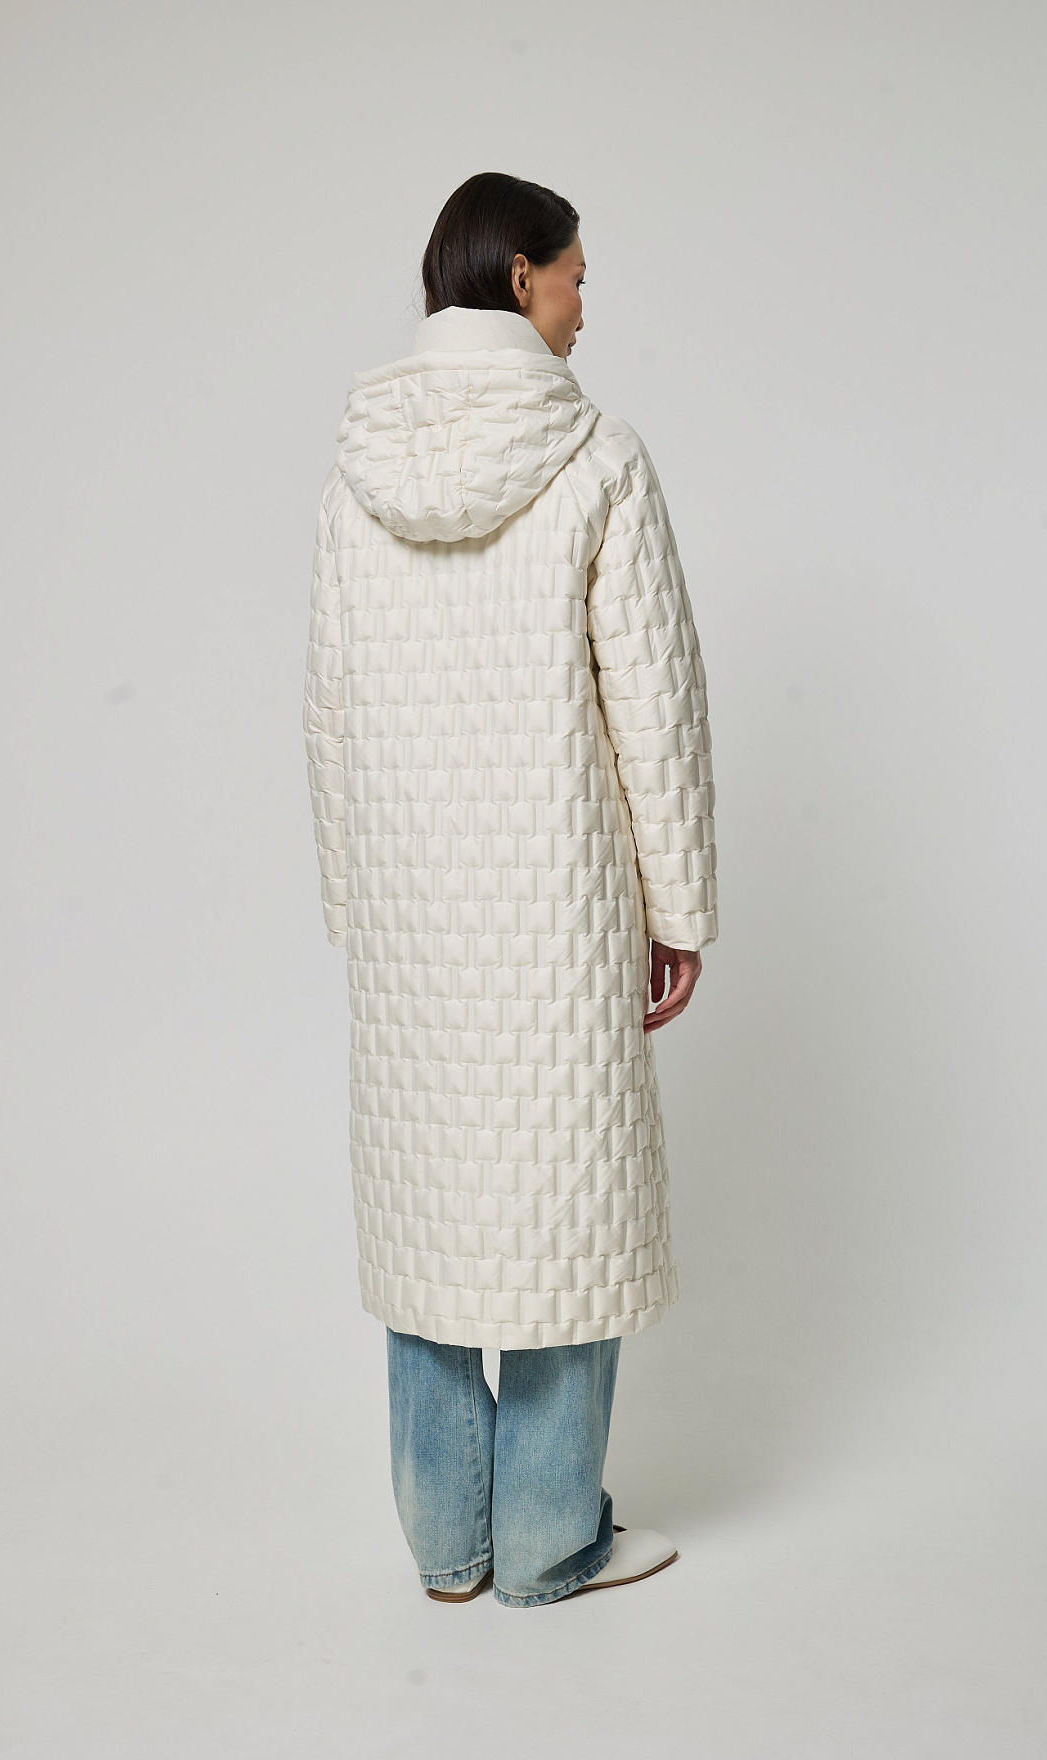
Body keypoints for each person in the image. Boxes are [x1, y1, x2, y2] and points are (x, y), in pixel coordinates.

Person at [303, 171, 717, 1608]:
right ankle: (548, 1540)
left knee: (429, 1216)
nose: (586, 306)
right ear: (522, 275)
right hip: (558, 907)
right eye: (577, 276)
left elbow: (330, 708)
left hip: (413, 915)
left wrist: (354, 900)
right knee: (566, 1214)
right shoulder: (598, 456)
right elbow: (652, 706)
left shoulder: (355, 471)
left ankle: (447, 1549)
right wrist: (679, 911)